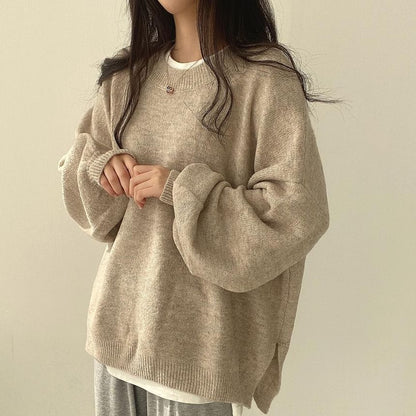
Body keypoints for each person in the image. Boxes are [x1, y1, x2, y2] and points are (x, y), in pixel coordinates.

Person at [58, 0, 337, 414]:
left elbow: (297, 211)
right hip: (114, 342)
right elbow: (88, 197)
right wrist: (102, 167)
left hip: (199, 360)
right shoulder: (128, 75)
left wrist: (180, 188)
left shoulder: (263, 77)